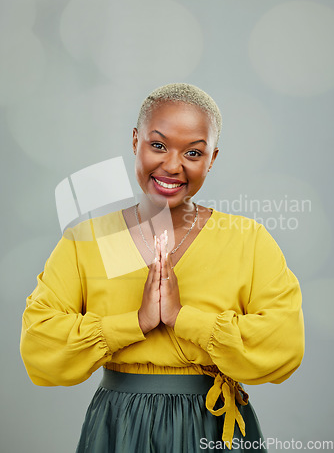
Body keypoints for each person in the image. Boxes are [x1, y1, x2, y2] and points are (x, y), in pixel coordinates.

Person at [20, 83, 304, 452]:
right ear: (135, 139)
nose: (173, 165)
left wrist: (183, 318)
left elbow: (283, 345)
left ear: (212, 158)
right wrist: (135, 323)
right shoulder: (86, 240)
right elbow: (39, 346)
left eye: (193, 153)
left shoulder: (248, 239)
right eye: (157, 145)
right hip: (119, 424)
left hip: (214, 426)